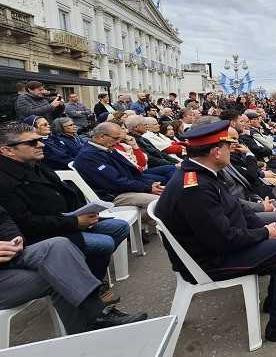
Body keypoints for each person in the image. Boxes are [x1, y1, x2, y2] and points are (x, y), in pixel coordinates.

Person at [154, 120, 276, 343]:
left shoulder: (203, 172)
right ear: (215, 152)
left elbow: (235, 207)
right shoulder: (195, 188)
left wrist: (262, 227)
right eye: (227, 146)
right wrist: (264, 233)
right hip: (211, 260)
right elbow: (223, 239)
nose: (232, 149)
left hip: (220, 243)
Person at [0, 122, 129, 294]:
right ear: (7, 150)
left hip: (65, 221)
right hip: (43, 234)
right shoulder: (5, 180)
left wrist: (84, 214)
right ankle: (86, 289)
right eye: (32, 142)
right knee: (103, 243)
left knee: (119, 227)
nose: (41, 144)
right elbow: (25, 223)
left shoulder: (35, 165)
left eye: (40, 139)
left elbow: (66, 194)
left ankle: (90, 281)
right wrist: (75, 222)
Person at [0, 205, 147, 334]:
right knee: (59, 273)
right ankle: (95, 322)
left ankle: (95, 320)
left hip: (10, 256)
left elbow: (3, 219)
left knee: (59, 246)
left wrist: (14, 238)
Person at [72, 122, 163, 211]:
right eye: (115, 138)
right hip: (113, 195)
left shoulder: (106, 148)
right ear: (102, 137)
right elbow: (115, 182)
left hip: (123, 189)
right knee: (160, 202)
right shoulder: (89, 156)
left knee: (165, 195)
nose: (118, 142)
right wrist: (147, 188)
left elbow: (130, 172)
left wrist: (149, 184)